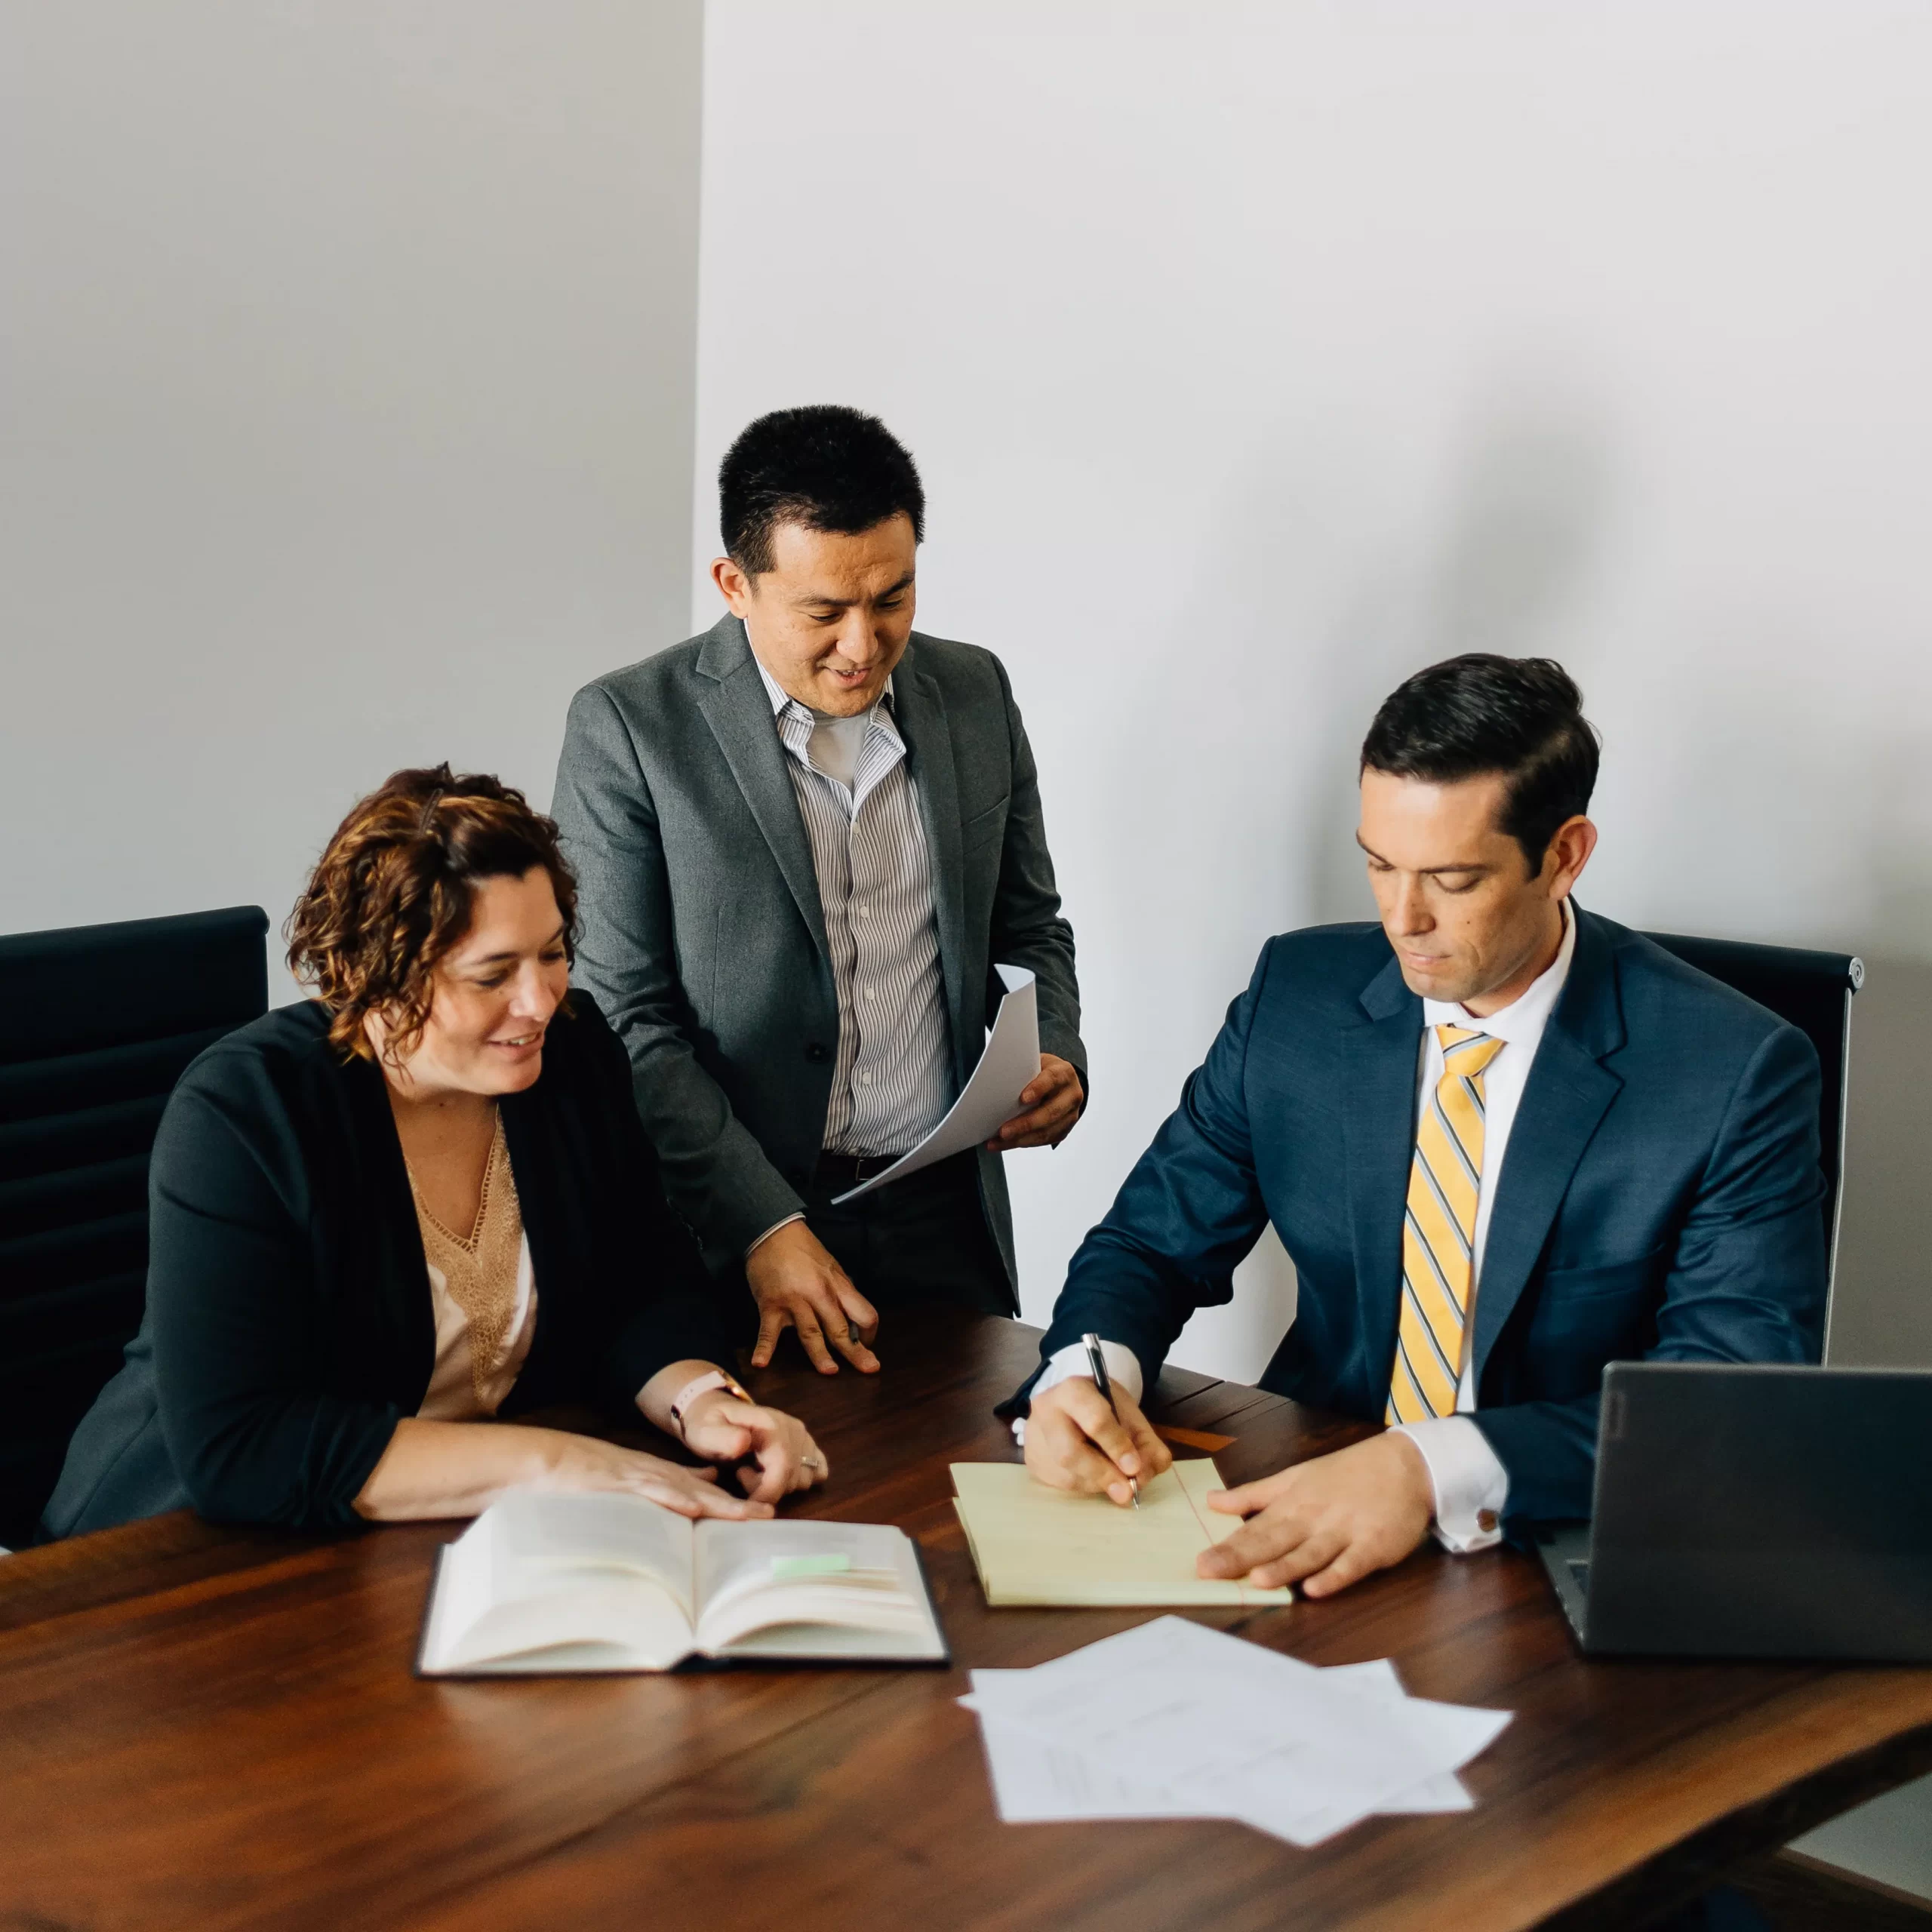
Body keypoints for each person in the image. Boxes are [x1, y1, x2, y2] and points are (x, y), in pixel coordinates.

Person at [1012, 654, 1826, 1599]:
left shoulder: (1732, 1069)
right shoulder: (1299, 997)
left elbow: (1722, 1405)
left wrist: (1427, 1466)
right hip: (1307, 1497)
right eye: (1379, 864)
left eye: (1451, 878)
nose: (1403, 919)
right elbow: (1150, 1243)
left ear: (1564, 855)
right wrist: (1083, 1371)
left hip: (1546, 1547)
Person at [42, 768, 826, 1538]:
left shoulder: (575, 1055)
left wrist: (703, 1402)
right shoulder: (245, 1112)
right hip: (179, 1552)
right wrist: (557, 1464)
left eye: (553, 953)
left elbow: (642, 1284)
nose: (541, 1001)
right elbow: (247, 1443)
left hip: (436, 1534)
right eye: (494, 974)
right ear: (372, 977)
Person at [552, 405, 1086, 1377]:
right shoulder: (628, 727)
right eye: (822, 612)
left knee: (964, 1501)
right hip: (725, 1230)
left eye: (892, 596)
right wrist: (762, 1223)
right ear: (735, 585)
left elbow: (1029, 924)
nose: (863, 642)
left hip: (943, 1217)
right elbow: (623, 1017)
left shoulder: (974, 692)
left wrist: (1056, 1050)